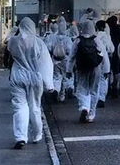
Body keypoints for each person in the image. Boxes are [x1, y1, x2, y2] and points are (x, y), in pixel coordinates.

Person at [7, 18, 54, 149]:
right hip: (35, 76)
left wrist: (13, 32)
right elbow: (45, 64)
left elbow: (8, 43)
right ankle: (37, 134)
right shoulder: (38, 42)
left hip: (18, 75)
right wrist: (49, 84)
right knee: (35, 106)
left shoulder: (14, 41)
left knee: (19, 106)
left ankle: (20, 136)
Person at [70, 20, 110, 123]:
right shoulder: (96, 39)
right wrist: (106, 69)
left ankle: (84, 107)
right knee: (94, 90)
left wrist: (69, 69)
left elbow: (71, 56)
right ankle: (91, 114)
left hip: (82, 68)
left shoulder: (78, 40)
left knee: (82, 89)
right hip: (95, 68)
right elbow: (104, 55)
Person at [44, 20, 73, 102]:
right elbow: (70, 50)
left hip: (55, 60)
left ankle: (56, 90)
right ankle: (67, 90)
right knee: (66, 77)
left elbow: (49, 48)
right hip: (65, 61)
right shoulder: (67, 39)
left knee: (56, 77)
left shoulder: (52, 37)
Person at [94, 20, 115, 108]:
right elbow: (111, 49)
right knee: (104, 79)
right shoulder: (106, 36)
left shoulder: (94, 36)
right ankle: (101, 98)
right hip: (104, 59)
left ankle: (95, 97)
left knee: (96, 80)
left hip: (95, 60)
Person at [107, 15, 120, 99]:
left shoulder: (108, 31)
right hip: (117, 53)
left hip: (109, 53)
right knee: (116, 72)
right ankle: (115, 88)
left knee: (108, 72)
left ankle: (108, 89)